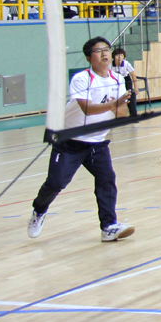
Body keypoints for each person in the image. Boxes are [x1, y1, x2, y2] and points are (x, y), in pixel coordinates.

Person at [28, 37, 134, 242]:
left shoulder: (117, 79)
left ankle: (108, 227)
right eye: (98, 51)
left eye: (107, 50)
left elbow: (122, 113)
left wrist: (119, 107)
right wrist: (113, 105)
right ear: (88, 58)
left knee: (107, 180)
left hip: (97, 142)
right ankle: (39, 210)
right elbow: (87, 109)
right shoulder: (81, 78)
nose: (104, 54)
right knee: (56, 183)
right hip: (70, 141)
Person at [111, 47, 139, 117]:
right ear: (114, 57)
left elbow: (133, 75)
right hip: (115, 81)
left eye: (121, 55)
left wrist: (136, 87)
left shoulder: (126, 63)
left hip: (126, 79)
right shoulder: (110, 65)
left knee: (130, 95)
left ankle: (133, 114)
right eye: (117, 55)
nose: (120, 57)